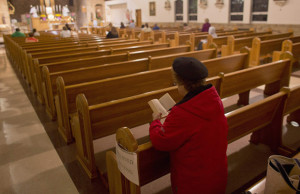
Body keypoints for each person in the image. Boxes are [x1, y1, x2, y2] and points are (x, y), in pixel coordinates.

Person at [149, 57, 228, 194]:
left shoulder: (182, 113)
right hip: (217, 173)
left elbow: (161, 140)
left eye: (176, 83)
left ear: (181, 83)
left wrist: (155, 122)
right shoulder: (214, 99)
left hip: (194, 182)